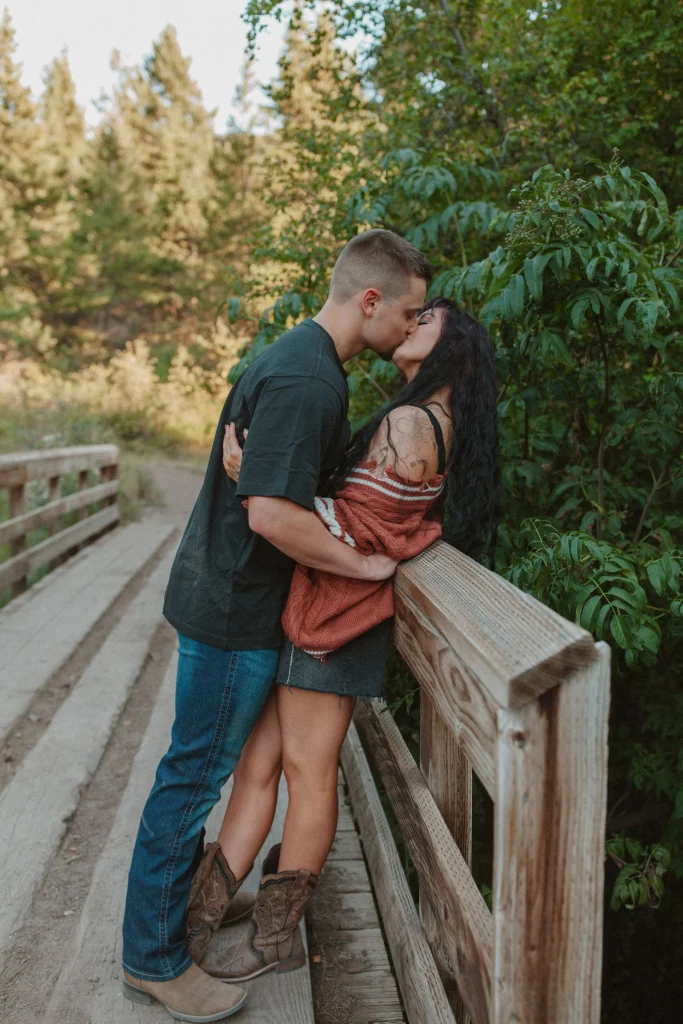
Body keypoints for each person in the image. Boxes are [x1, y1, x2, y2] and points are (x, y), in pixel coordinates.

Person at [120, 229, 432, 1023]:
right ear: (370, 301)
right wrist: (364, 568)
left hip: (227, 600)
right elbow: (269, 515)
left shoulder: (295, 358)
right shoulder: (309, 381)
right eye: (407, 312)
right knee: (190, 781)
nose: (407, 327)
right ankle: (153, 960)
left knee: (194, 773)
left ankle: (160, 936)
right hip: (235, 611)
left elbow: (264, 484)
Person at [189, 296, 499, 983]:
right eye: (412, 312)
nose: (413, 320)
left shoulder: (415, 422)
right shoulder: (417, 415)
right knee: (260, 762)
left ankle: (276, 938)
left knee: (305, 771)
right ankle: (205, 909)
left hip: (341, 615)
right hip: (325, 603)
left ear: (457, 345)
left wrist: (258, 478)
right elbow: (369, 515)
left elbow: (364, 531)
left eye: (429, 318)